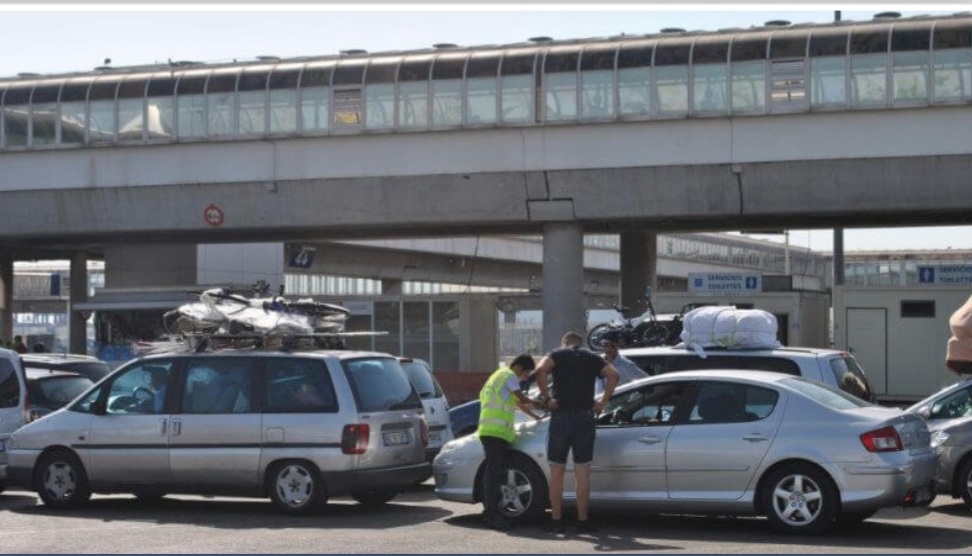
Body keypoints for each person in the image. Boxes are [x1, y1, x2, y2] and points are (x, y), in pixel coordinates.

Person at [535, 331, 619, 534]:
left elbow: (540, 371)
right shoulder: (592, 358)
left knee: (557, 471)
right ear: (581, 344)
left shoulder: (557, 354)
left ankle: (556, 520)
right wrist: (602, 402)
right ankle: (582, 520)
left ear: (564, 343)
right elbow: (614, 375)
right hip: (584, 417)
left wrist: (547, 399)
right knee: (583, 472)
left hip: (561, 416)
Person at [477, 354, 545, 531]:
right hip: (495, 433)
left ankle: (493, 513)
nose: (524, 377)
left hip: (493, 432)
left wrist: (538, 417)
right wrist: (539, 404)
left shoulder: (498, 377)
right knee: (492, 475)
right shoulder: (508, 375)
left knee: (495, 473)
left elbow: (518, 405)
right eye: (526, 373)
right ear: (519, 368)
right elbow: (522, 399)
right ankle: (491, 515)